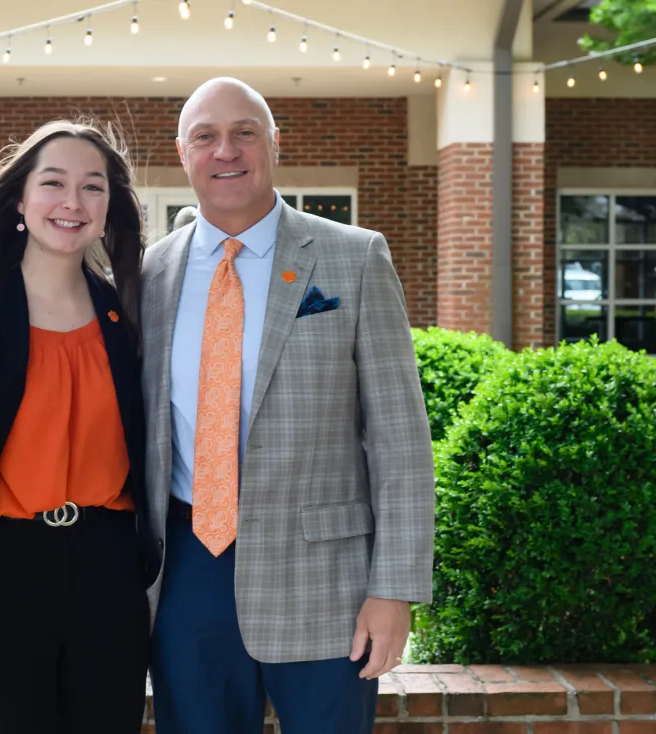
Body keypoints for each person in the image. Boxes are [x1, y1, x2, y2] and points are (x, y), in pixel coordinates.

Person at [139, 77, 435, 734]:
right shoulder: (149, 274)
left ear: (274, 143)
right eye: (206, 136)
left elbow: (400, 439)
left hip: (326, 580)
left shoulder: (354, 258)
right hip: (188, 572)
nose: (227, 150)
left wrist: (394, 589)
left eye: (245, 132)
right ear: (182, 153)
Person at [0, 118, 161, 734]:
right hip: (3, 575)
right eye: (53, 182)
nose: (72, 202)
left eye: (92, 187)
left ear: (109, 209)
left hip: (109, 573)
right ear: (19, 199)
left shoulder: (126, 312)